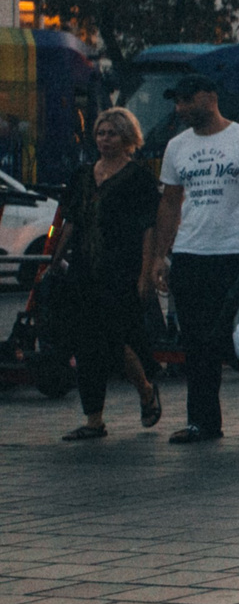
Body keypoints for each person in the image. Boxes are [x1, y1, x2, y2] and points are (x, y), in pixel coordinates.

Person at [145, 73, 239, 443]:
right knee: (195, 343)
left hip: (235, 254)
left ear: (210, 97)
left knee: (226, 337)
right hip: (191, 254)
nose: (181, 108)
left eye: (187, 100)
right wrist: (161, 255)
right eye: (177, 102)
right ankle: (203, 422)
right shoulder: (177, 147)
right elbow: (170, 203)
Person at [49, 107, 162, 440]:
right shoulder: (84, 174)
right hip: (85, 269)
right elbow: (71, 220)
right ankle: (94, 419)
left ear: (126, 136)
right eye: (101, 133)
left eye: (112, 133)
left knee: (116, 340)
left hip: (121, 270)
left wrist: (145, 273)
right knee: (86, 344)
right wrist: (55, 259)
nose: (105, 139)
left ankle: (145, 389)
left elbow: (148, 229)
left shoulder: (138, 177)